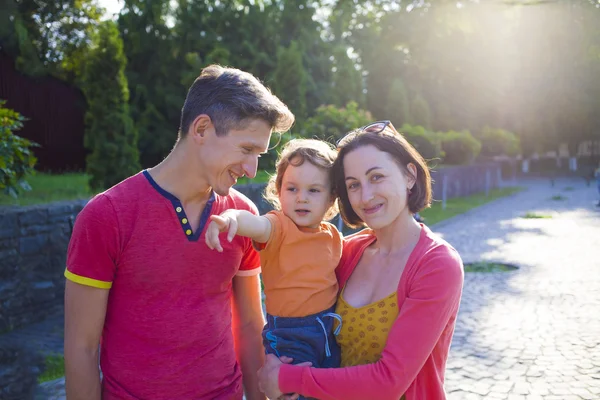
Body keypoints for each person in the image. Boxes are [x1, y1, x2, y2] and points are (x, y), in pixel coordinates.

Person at [63, 64, 294, 400]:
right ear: (201, 128)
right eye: (246, 150)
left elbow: (248, 326)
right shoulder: (107, 215)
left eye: (258, 154)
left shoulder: (243, 216)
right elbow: (81, 347)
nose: (251, 169)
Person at [258, 120, 464, 400]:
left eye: (377, 177)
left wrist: (287, 378)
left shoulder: (437, 265)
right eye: (353, 185)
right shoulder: (346, 251)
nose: (365, 196)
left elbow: (389, 381)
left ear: (409, 176)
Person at [205, 139, 343, 398]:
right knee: (295, 393)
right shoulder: (278, 226)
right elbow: (255, 224)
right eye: (292, 189)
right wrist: (232, 218)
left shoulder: (332, 235)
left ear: (331, 198)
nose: (301, 197)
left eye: (314, 190)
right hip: (292, 335)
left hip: (329, 330)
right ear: (279, 192)